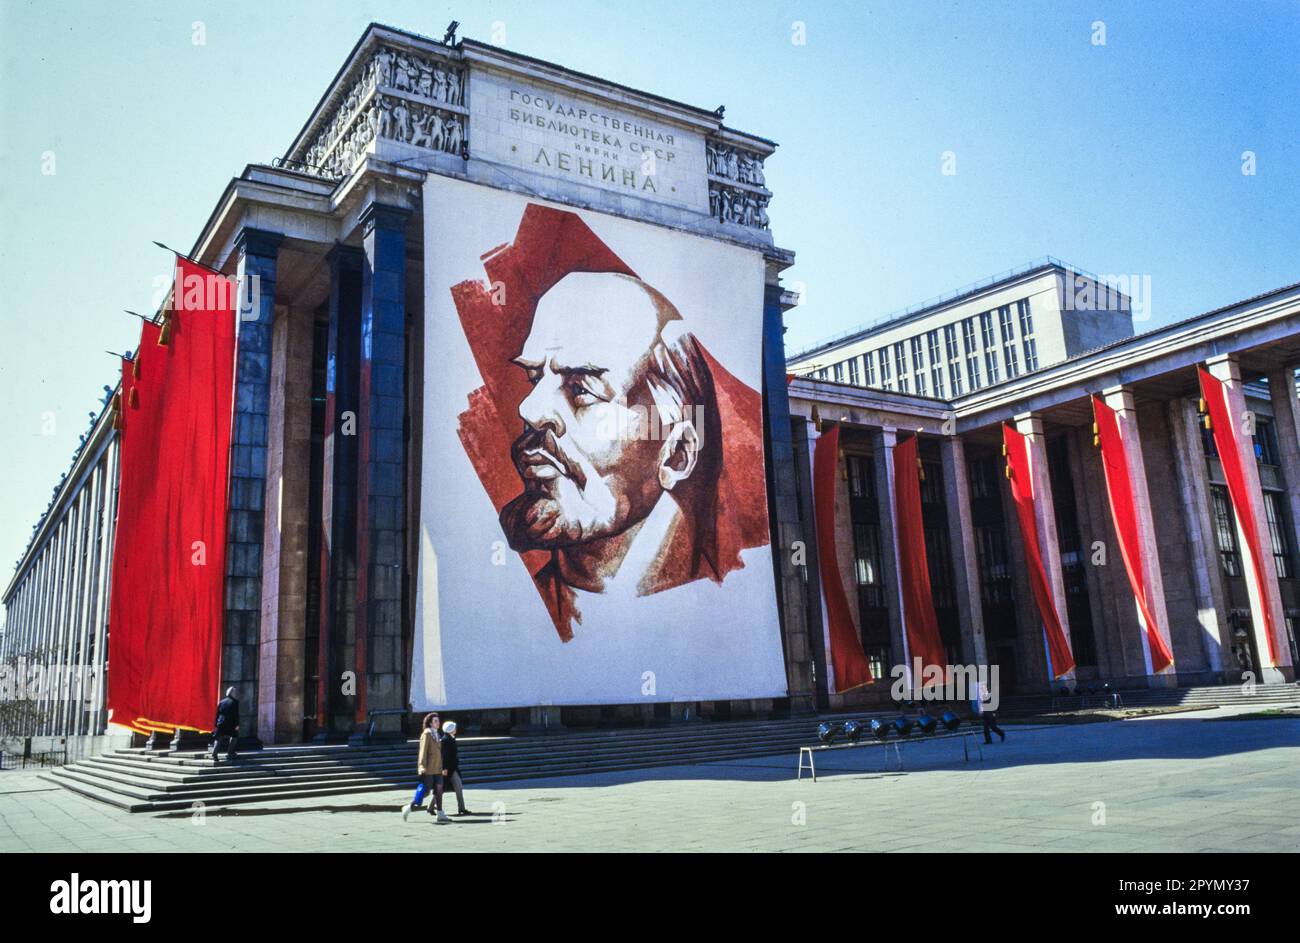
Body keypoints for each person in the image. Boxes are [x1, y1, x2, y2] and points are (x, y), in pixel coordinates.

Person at [403, 713, 450, 823]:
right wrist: (421, 766)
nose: (438, 723)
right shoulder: (427, 734)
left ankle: (440, 813)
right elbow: (422, 752)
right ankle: (408, 807)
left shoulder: (437, 734)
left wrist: (443, 767)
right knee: (426, 791)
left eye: (438, 721)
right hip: (428, 768)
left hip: (438, 768)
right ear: (430, 723)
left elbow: (440, 752)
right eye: (435, 721)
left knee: (439, 790)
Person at [441, 721, 473, 815]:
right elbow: (444, 756)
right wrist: (444, 768)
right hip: (448, 769)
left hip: (452, 768)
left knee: (457, 787)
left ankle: (461, 808)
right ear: (450, 729)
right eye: (454, 728)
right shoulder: (446, 740)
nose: (456, 729)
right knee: (441, 789)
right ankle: (430, 807)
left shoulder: (450, 738)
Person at [210, 687, 240, 762]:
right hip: (231, 723)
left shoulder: (221, 702)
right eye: (235, 692)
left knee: (218, 738)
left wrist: (216, 724)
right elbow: (235, 715)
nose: (235, 694)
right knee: (234, 737)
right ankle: (230, 752)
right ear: (232, 693)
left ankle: (214, 754)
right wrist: (237, 724)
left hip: (220, 723)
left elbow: (217, 714)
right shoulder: (235, 702)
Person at [974, 677, 1006, 744]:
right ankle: (988, 740)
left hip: (991, 714)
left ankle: (1002, 733)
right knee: (985, 728)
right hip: (986, 713)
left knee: (993, 727)